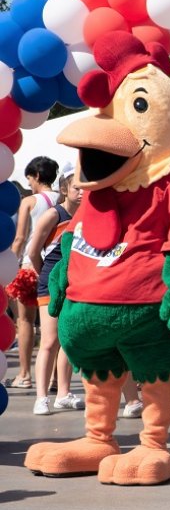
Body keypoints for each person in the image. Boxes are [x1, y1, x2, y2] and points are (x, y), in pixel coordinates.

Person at [28, 166, 83, 415]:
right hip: (51, 282)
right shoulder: (53, 214)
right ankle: (41, 396)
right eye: (76, 188)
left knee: (68, 340)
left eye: (85, 187)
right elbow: (33, 250)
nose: (82, 193)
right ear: (64, 188)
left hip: (77, 284)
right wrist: (46, 276)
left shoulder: (87, 215)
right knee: (49, 341)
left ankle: (64, 392)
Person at [5, 156, 59, 389]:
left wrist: (11, 265)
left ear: (36, 176)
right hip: (55, 266)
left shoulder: (29, 202)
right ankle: (56, 378)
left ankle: (25, 374)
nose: (29, 184)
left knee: (24, 321)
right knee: (55, 324)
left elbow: (19, 238)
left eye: (29, 178)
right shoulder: (64, 199)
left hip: (28, 267)